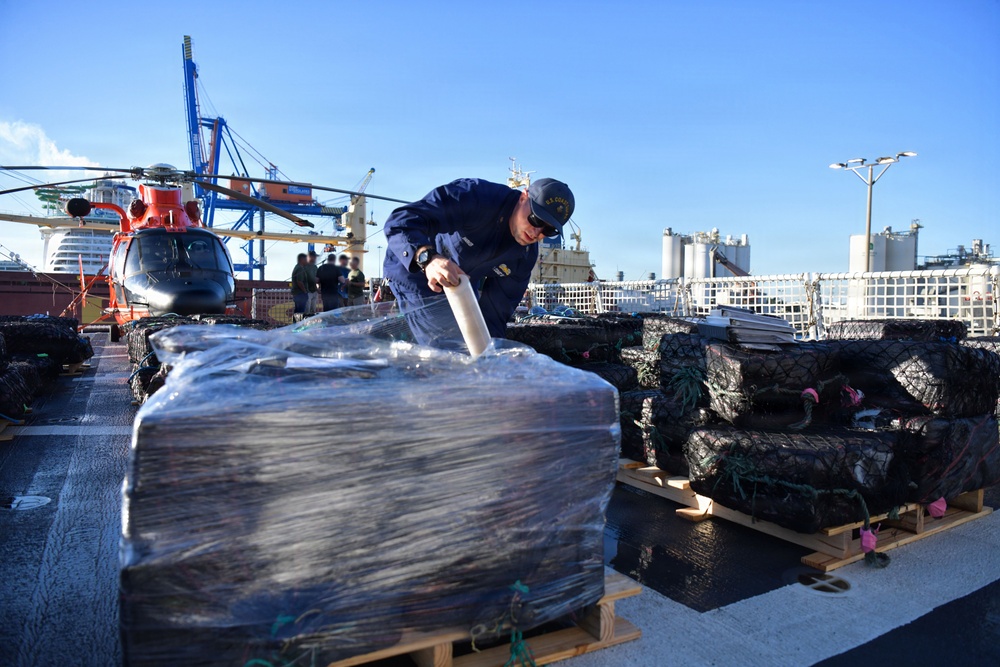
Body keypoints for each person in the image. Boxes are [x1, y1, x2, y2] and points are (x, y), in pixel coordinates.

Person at [383, 177, 574, 346]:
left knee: (478, 347)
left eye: (548, 231)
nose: (536, 232)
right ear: (523, 197)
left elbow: (495, 315)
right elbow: (401, 221)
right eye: (535, 219)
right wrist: (428, 259)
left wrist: (490, 358)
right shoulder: (476, 197)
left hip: (462, 284)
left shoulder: (523, 256)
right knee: (447, 346)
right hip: (416, 271)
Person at [290, 253, 310, 322]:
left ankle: (295, 325)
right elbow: (299, 282)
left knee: (297, 312)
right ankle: (299, 325)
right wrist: (305, 291)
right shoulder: (300, 269)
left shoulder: (297, 267)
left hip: (297, 293)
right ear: (302, 259)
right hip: (300, 293)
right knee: (301, 312)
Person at [304, 250, 320, 315]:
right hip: (307, 291)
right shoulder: (304, 266)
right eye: (314, 257)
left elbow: (317, 277)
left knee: (313, 310)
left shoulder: (315, 267)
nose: (315, 258)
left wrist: (318, 287)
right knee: (307, 310)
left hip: (314, 291)